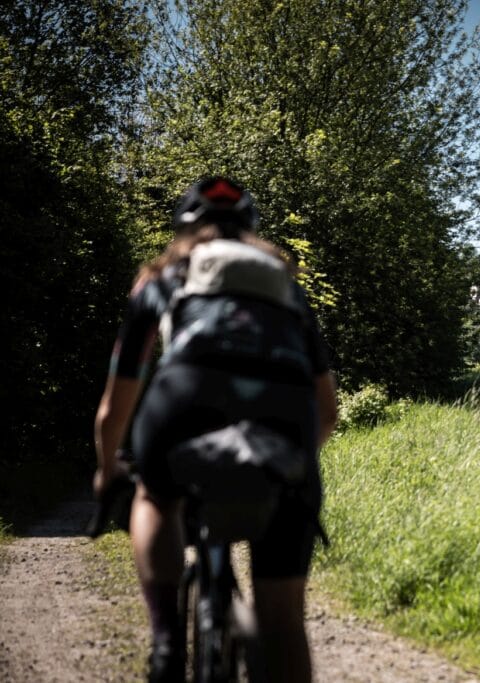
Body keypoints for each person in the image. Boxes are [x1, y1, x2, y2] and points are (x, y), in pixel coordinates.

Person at [93, 177, 338, 682]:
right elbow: (327, 409)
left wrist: (106, 469)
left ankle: (165, 645)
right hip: (284, 413)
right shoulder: (287, 288)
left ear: (184, 229)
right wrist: (290, 468)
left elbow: (116, 405)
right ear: (251, 232)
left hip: (182, 399)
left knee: (156, 495)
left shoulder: (162, 278)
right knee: (284, 622)